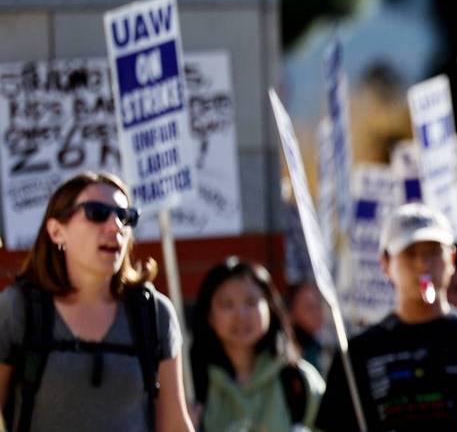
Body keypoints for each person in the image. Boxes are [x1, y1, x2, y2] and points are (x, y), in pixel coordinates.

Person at [0, 171, 194, 432]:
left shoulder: (153, 313)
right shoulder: (18, 309)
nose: (116, 226)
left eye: (126, 217)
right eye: (97, 212)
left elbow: (175, 427)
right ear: (57, 231)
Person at [315, 203, 457, 431]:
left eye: (434, 253)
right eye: (410, 254)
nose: (423, 265)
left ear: (452, 259)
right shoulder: (357, 353)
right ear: (385, 264)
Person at [191, 258, 324, 431]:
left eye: (251, 302)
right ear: (209, 316)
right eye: (227, 305)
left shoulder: (298, 382)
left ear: (270, 307)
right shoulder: (192, 387)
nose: (241, 315)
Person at [284, 281, 326, 373]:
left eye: (318, 305)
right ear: (292, 313)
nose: (317, 312)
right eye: (309, 307)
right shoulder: (284, 354)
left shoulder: (320, 348)